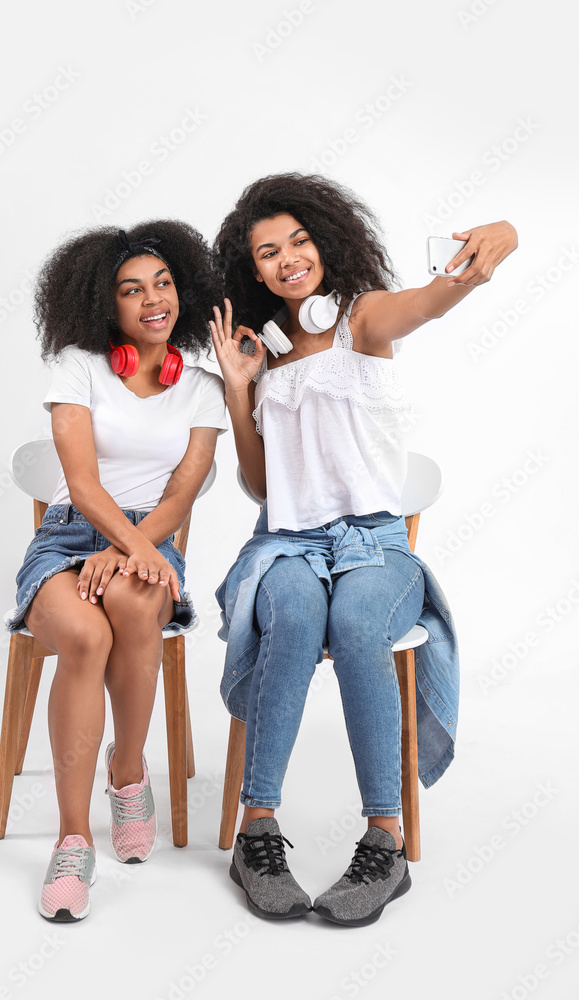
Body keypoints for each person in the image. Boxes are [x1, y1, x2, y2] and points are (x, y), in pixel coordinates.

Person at [209, 172, 517, 925]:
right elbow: (258, 484)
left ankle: (383, 841)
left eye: (300, 241)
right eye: (269, 252)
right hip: (287, 543)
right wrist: (238, 389)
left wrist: (498, 238)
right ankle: (257, 834)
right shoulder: (268, 355)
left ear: (325, 242)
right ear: (254, 270)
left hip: (374, 543)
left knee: (353, 626)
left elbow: (435, 299)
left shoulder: (363, 319)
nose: (288, 259)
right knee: (290, 617)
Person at [5, 220, 227, 921]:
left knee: (132, 607)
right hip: (71, 533)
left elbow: (183, 492)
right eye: (132, 290)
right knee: (83, 636)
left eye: (162, 284)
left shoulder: (199, 385)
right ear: (108, 306)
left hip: (148, 539)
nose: (152, 299)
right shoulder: (76, 365)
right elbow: (81, 479)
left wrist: (131, 548)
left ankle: (127, 774)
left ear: (181, 290)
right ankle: (74, 840)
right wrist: (112, 541)